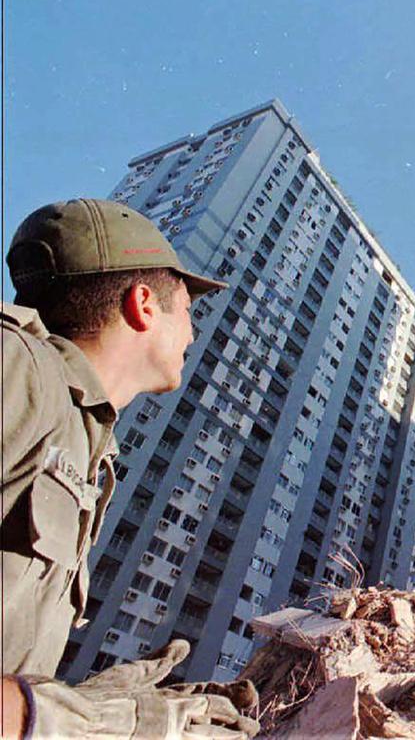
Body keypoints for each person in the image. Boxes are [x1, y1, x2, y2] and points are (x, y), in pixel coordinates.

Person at [1, 199, 259, 738]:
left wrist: (86, 702)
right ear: (144, 304)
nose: (192, 334)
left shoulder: (84, 437)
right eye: (188, 310)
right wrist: (90, 724)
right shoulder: (16, 371)